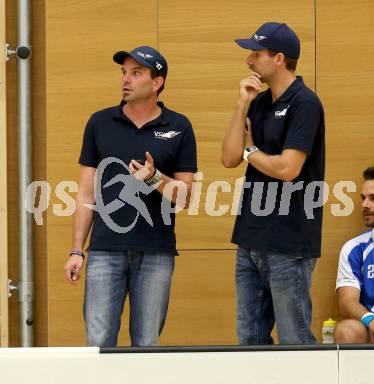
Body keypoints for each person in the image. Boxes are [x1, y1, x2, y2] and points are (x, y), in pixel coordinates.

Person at [63, 45, 197, 347]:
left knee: (146, 345)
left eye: (136, 73)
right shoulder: (99, 123)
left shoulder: (179, 127)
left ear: (157, 82)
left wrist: (153, 177)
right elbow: (86, 191)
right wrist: (76, 250)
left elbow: (185, 197)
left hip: (156, 254)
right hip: (104, 251)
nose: (126, 79)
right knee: (98, 343)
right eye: (124, 72)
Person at [222, 22, 325, 344]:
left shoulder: (305, 103)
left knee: (294, 338)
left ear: (279, 58)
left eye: (256, 53)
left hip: (289, 240)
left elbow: (288, 168)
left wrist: (252, 151)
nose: (249, 61)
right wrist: (243, 104)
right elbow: (228, 158)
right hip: (251, 237)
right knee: (249, 340)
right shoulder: (259, 102)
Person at [335, 167, 374, 344]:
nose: (364, 205)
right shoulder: (354, 248)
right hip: (372, 328)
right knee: (347, 330)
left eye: (373, 198)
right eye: (363, 198)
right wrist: (372, 321)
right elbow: (347, 301)